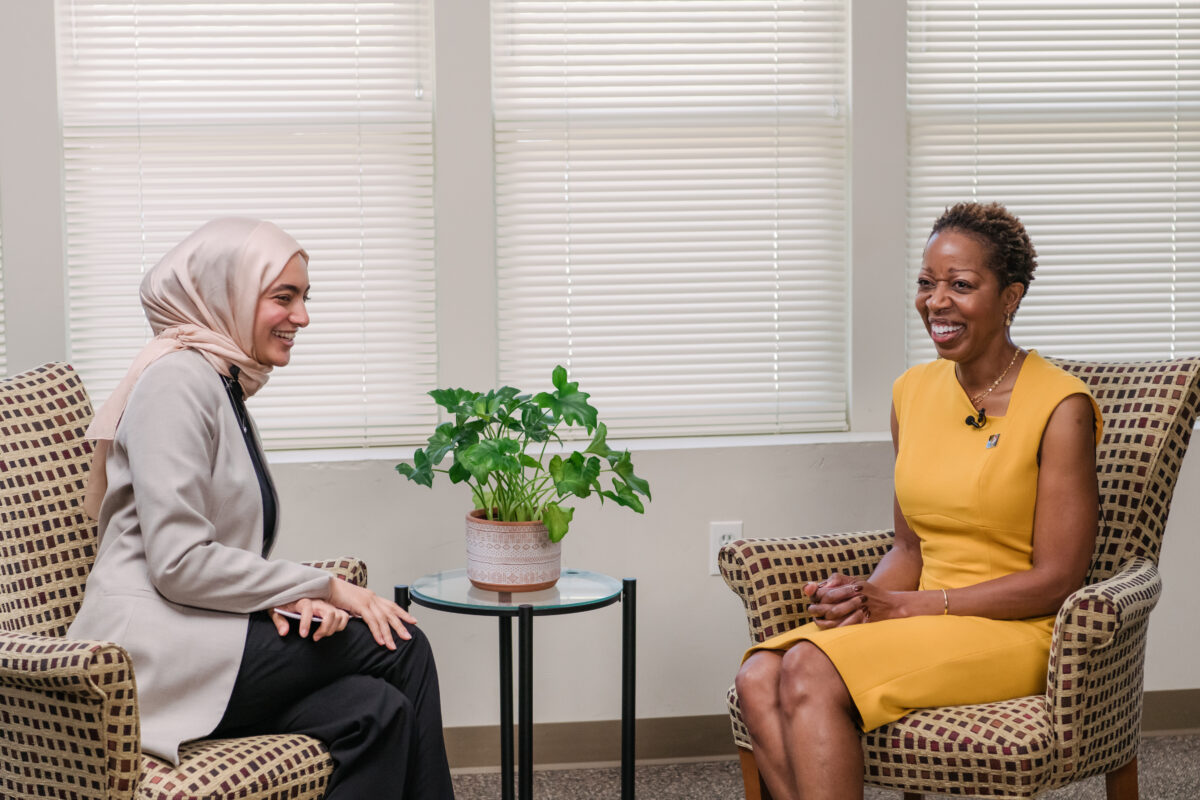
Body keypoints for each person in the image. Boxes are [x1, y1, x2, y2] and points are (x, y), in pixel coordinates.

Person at [68, 218, 455, 799]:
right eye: (283, 297)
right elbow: (178, 563)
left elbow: (214, 552)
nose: (302, 317)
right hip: (147, 657)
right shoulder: (176, 382)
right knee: (399, 645)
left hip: (200, 635)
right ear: (228, 295)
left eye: (304, 298)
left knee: (376, 711)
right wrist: (325, 587)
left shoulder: (219, 382)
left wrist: (285, 596)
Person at [734, 202, 1102, 800]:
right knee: (758, 675)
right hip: (925, 614)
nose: (937, 301)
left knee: (804, 667)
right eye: (927, 283)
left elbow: (1059, 579)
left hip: (1018, 628)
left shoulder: (1062, 407)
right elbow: (910, 543)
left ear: (1010, 298)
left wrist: (908, 607)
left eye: (961, 285)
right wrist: (863, 599)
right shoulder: (912, 391)